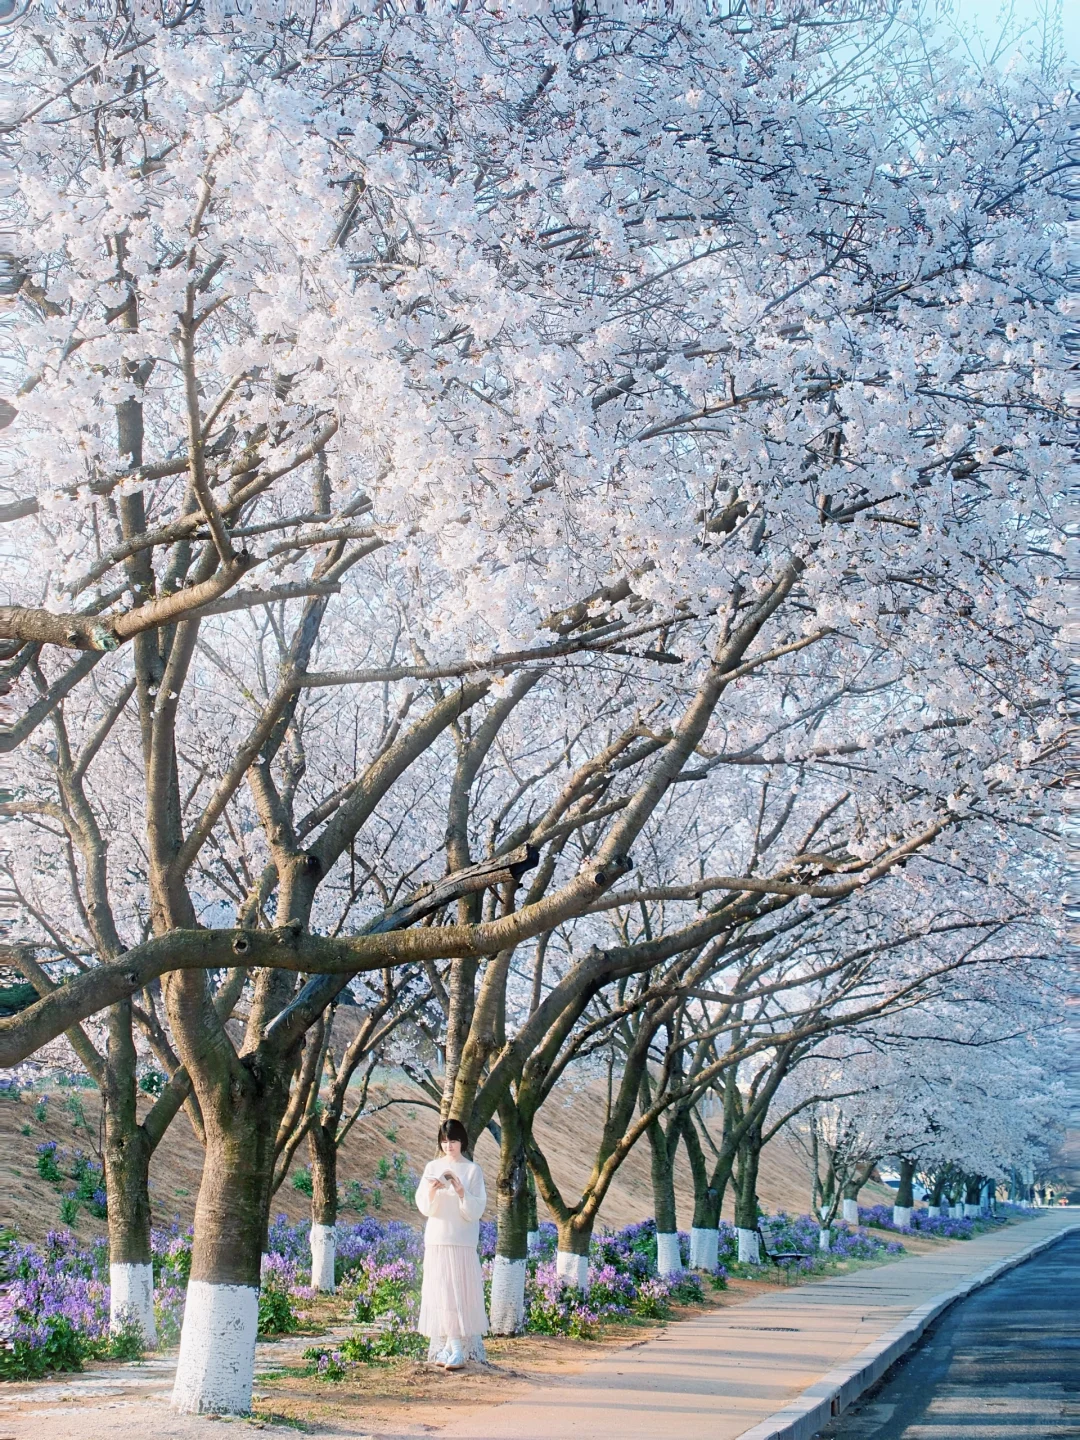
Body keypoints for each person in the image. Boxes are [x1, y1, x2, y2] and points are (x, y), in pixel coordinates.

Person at [415, 1118, 488, 1369]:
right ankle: (451, 1347)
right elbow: (424, 1206)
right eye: (445, 1141)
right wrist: (434, 1189)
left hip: (462, 1241)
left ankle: (454, 1348)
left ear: (462, 1142)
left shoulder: (472, 1170)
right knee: (442, 1293)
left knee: (458, 1294)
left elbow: (476, 1209)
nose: (449, 1146)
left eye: (453, 1140)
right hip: (437, 1239)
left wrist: (460, 1191)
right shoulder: (432, 1167)